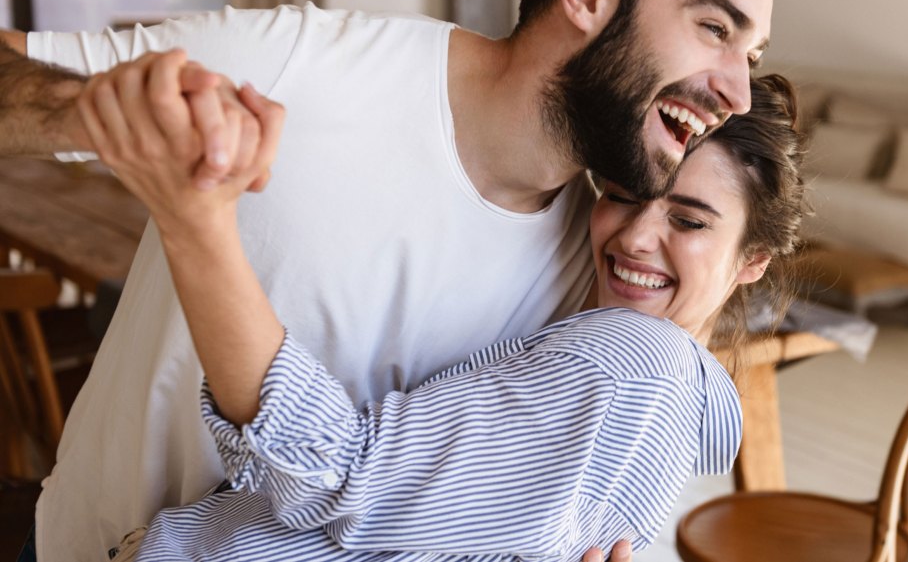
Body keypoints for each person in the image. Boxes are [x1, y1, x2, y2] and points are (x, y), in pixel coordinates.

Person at [0, 0, 785, 559]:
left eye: (750, 54)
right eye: (716, 28)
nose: (737, 91)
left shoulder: (603, 257)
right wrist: (106, 116)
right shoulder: (306, 63)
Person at [82, 74, 806, 561]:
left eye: (689, 219)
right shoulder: (672, 407)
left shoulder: (629, 360)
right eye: (621, 192)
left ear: (753, 259)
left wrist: (197, 221)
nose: (633, 237)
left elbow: (344, 478)